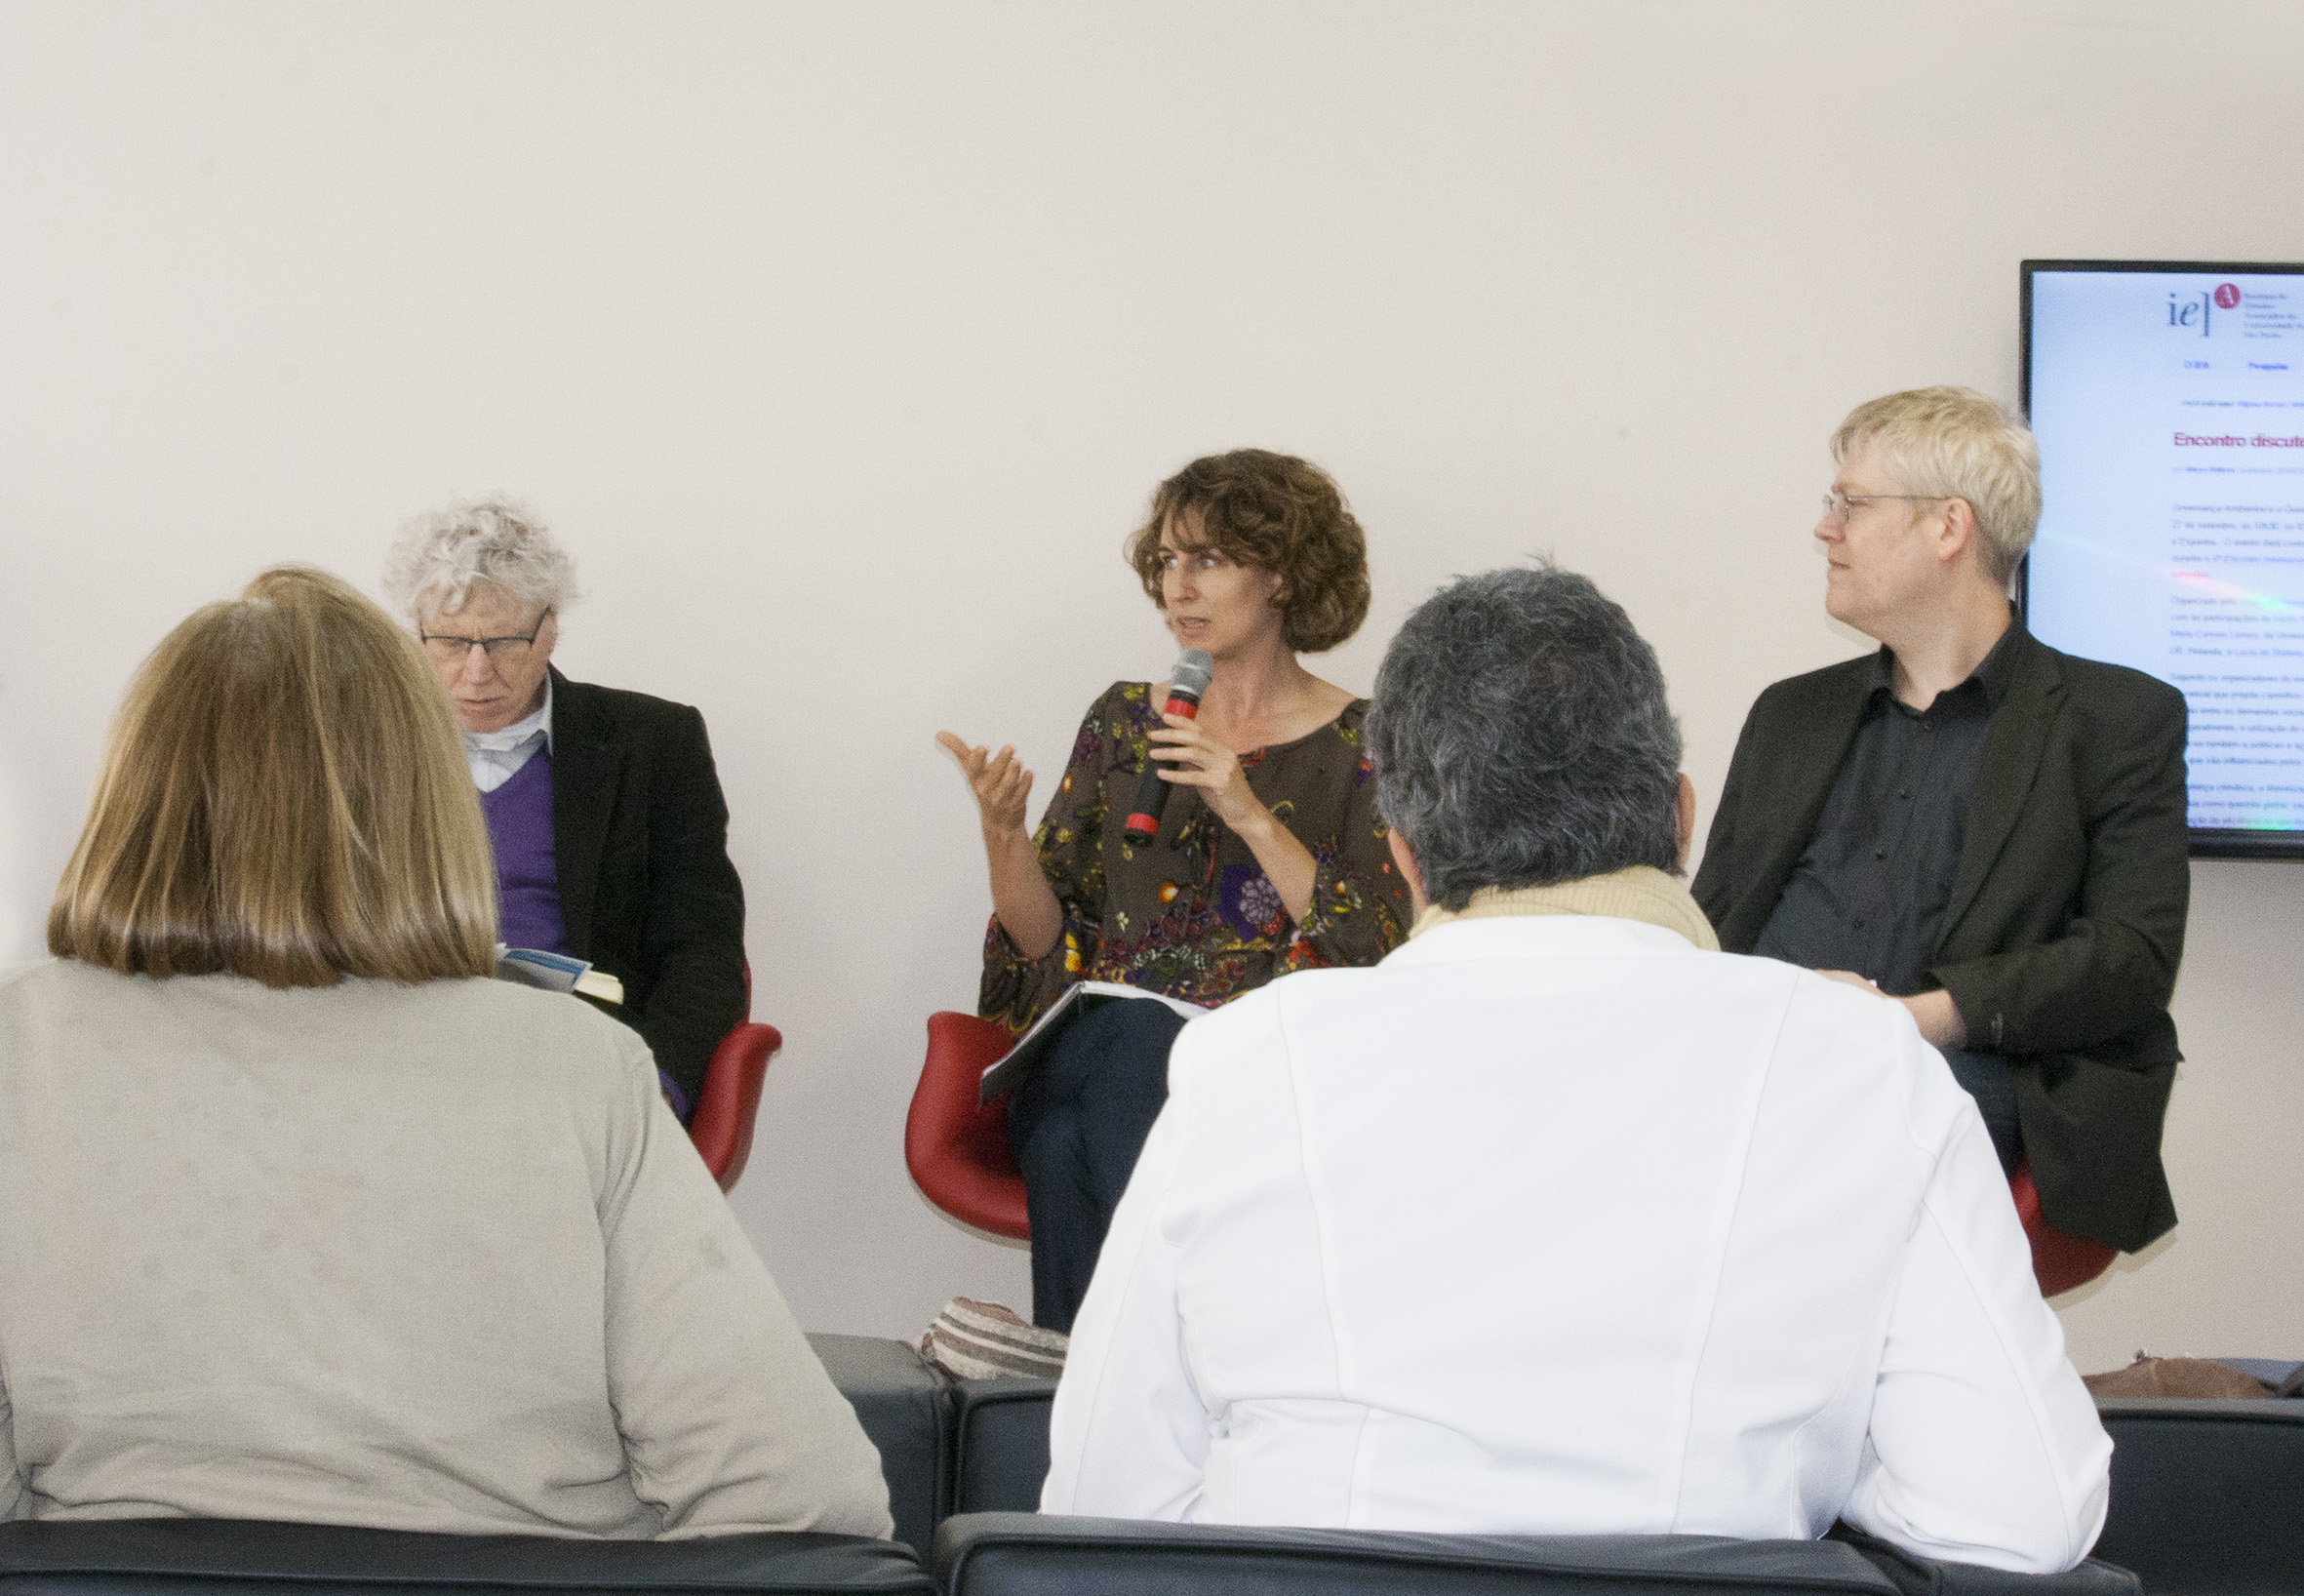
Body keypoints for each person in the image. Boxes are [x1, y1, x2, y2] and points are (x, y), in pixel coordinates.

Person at [1042, 564, 2112, 1573]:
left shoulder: (1246, 1058)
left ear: (1402, 848)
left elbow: (1101, 1499)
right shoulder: (1864, 1065)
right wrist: (1805, 1468)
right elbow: (2019, 1521)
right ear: (1680, 820)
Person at [0, 568, 890, 1538]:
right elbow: (806, 1497)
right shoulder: (578, 1067)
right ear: (424, 796)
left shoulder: (20, 1048)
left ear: (134, 791)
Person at [1691, 387, 2189, 1257]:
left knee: (1854, 1130)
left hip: (1972, 1075)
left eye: (1852, 504)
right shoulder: (1791, 714)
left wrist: (1923, 1018)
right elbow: (1716, 924)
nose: (1826, 528)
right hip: (1775, 1067)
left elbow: (2130, 961)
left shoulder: (2114, 719)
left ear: (1949, 527)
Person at [937, 450, 1411, 1334]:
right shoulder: (1125, 718)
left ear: (1279, 574)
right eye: (1165, 561)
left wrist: (1249, 813)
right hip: (1107, 1049)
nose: (1176, 588)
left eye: (1206, 560)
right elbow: (1047, 943)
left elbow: (1376, 946)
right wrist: (1003, 837)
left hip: (1262, 1071)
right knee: (1116, 1042)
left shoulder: (1364, 742)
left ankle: (1075, 1387)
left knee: (1062, 1137)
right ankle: (1190, 1361)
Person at [384, 499, 746, 1121]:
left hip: (577, 1061)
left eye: (503, 641)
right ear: (413, 634)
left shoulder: (651, 743)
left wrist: (655, 1080)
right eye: (449, 642)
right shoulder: (357, 750)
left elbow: (702, 951)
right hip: (400, 1057)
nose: (476, 672)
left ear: (550, 628)